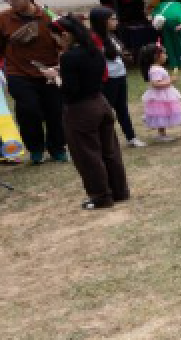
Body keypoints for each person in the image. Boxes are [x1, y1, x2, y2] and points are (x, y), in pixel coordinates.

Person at [42, 16, 127, 208]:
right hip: (100, 102)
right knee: (110, 151)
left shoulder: (69, 57)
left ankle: (101, 196)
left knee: (87, 155)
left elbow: (70, 90)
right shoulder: (94, 50)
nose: (55, 42)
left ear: (64, 35)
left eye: (55, 38)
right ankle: (119, 191)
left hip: (81, 110)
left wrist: (55, 77)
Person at [0, 0, 67, 165]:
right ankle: (36, 149)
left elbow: (65, 43)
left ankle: (57, 148)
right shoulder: (4, 19)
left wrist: (59, 67)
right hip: (18, 73)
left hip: (49, 72)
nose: (9, 2)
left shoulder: (48, 17)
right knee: (28, 111)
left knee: (55, 111)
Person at [89, 7, 143, 148]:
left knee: (122, 108)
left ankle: (131, 137)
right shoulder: (94, 38)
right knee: (107, 111)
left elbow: (118, 52)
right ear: (102, 21)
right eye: (112, 19)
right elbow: (98, 58)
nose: (116, 21)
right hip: (108, 79)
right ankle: (103, 140)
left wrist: (124, 55)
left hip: (119, 75)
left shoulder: (111, 35)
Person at [137, 43, 181, 142]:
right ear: (156, 56)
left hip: (163, 94)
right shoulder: (155, 70)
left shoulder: (157, 68)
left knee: (163, 113)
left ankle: (162, 133)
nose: (166, 56)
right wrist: (171, 80)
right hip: (160, 95)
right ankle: (161, 134)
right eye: (164, 53)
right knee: (161, 113)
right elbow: (155, 84)